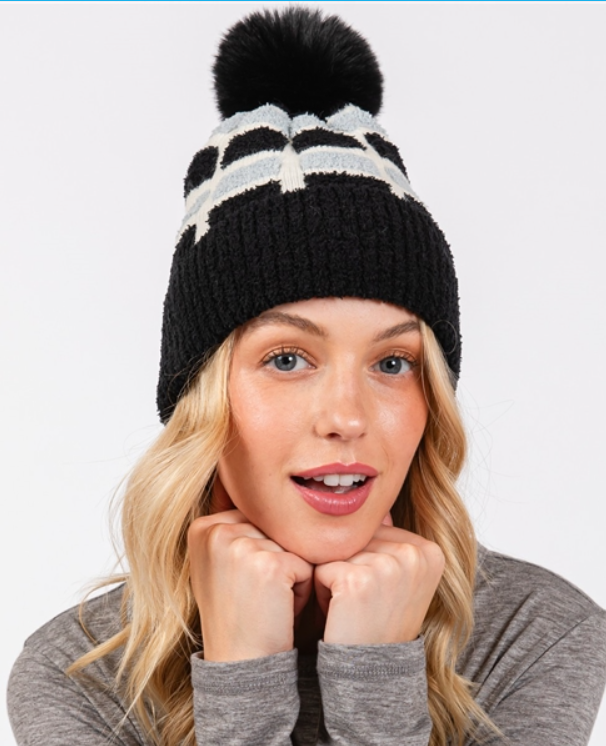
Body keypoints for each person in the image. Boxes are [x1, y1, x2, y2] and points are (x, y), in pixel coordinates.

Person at [7, 8, 606, 746]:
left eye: (392, 363)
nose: (346, 417)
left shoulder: (534, 634)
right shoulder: (83, 675)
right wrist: (243, 682)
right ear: (201, 396)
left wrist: (375, 680)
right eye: (287, 359)